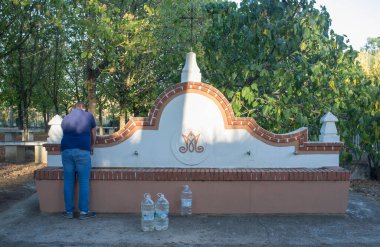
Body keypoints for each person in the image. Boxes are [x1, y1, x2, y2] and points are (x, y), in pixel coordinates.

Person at [61, 102, 97, 219]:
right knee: (84, 181)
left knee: (68, 181)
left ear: (74, 108)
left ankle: (69, 212)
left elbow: (65, 134)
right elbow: (93, 132)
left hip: (66, 151)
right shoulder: (88, 116)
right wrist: (92, 145)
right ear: (83, 108)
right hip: (82, 151)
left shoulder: (65, 118)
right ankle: (84, 212)